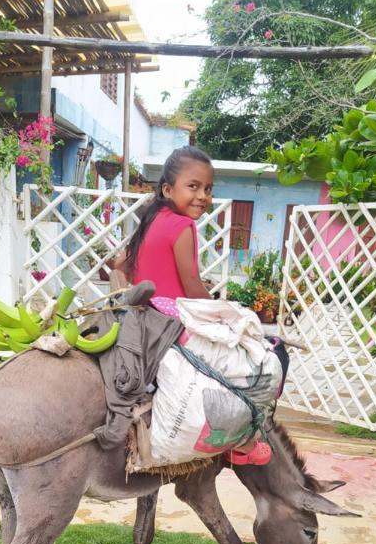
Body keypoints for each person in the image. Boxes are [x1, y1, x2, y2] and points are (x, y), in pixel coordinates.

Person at [114, 146, 271, 466]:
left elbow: (119, 265)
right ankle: (241, 444)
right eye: (193, 186)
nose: (202, 195)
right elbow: (192, 286)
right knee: (236, 365)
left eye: (208, 188)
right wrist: (224, 315)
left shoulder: (151, 218)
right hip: (173, 319)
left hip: (144, 318)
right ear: (168, 189)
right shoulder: (183, 226)